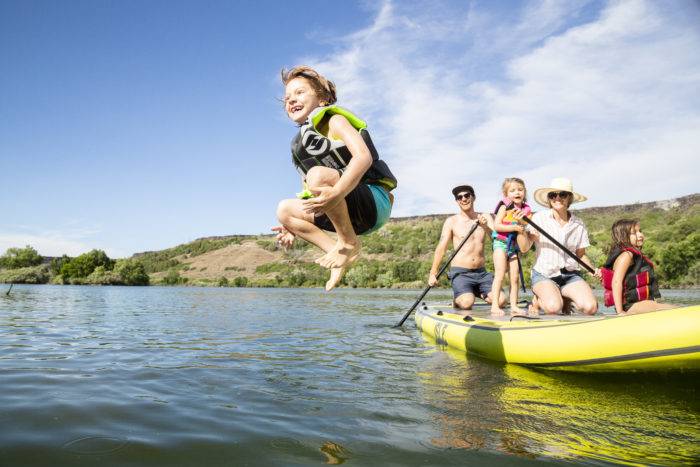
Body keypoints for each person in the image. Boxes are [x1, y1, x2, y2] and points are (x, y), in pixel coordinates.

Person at [272, 66, 397, 291]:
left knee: (318, 175)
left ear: (322, 99)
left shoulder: (335, 121)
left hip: (372, 204)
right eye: (287, 98)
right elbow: (311, 190)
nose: (291, 100)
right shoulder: (301, 146)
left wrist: (337, 191)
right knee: (284, 210)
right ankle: (337, 251)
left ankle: (349, 243)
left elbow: (364, 157)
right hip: (345, 213)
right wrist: (290, 228)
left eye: (299, 93)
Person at [514, 177, 600, 315]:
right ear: (549, 199)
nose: (557, 198)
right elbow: (524, 248)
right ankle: (537, 300)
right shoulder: (538, 218)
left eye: (563, 194)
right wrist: (521, 228)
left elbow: (581, 255)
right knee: (554, 308)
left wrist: (592, 270)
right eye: (553, 195)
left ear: (570, 199)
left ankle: (564, 296)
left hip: (570, 275)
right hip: (544, 274)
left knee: (591, 307)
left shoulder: (579, 224)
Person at [428, 185, 505, 314]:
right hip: (461, 273)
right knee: (466, 303)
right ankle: (459, 298)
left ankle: (479, 292)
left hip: (482, 273)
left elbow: (497, 241)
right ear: (457, 201)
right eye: (459, 197)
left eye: (467, 195)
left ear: (473, 197)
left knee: (502, 301)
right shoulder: (451, 221)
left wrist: (485, 227)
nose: (463, 199)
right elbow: (441, 247)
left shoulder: (485, 217)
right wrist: (433, 273)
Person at [601, 219, 675, 315]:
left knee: (666, 306)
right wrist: (620, 312)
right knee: (672, 309)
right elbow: (616, 282)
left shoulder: (635, 255)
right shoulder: (627, 255)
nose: (640, 235)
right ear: (623, 237)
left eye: (640, 231)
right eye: (634, 233)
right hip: (631, 306)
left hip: (643, 303)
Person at [490, 177, 532, 316]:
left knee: (514, 278)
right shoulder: (504, 206)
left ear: (524, 192)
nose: (517, 192)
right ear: (506, 194)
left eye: (520, 190)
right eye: (512, 190)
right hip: (500, 243)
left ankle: (513, 305)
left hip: (514, 246)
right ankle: (495, 306)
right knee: (500, 274)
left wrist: (522, 223)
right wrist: (514, 227)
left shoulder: (526, 211)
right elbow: (497, 225)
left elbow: (525, 226)